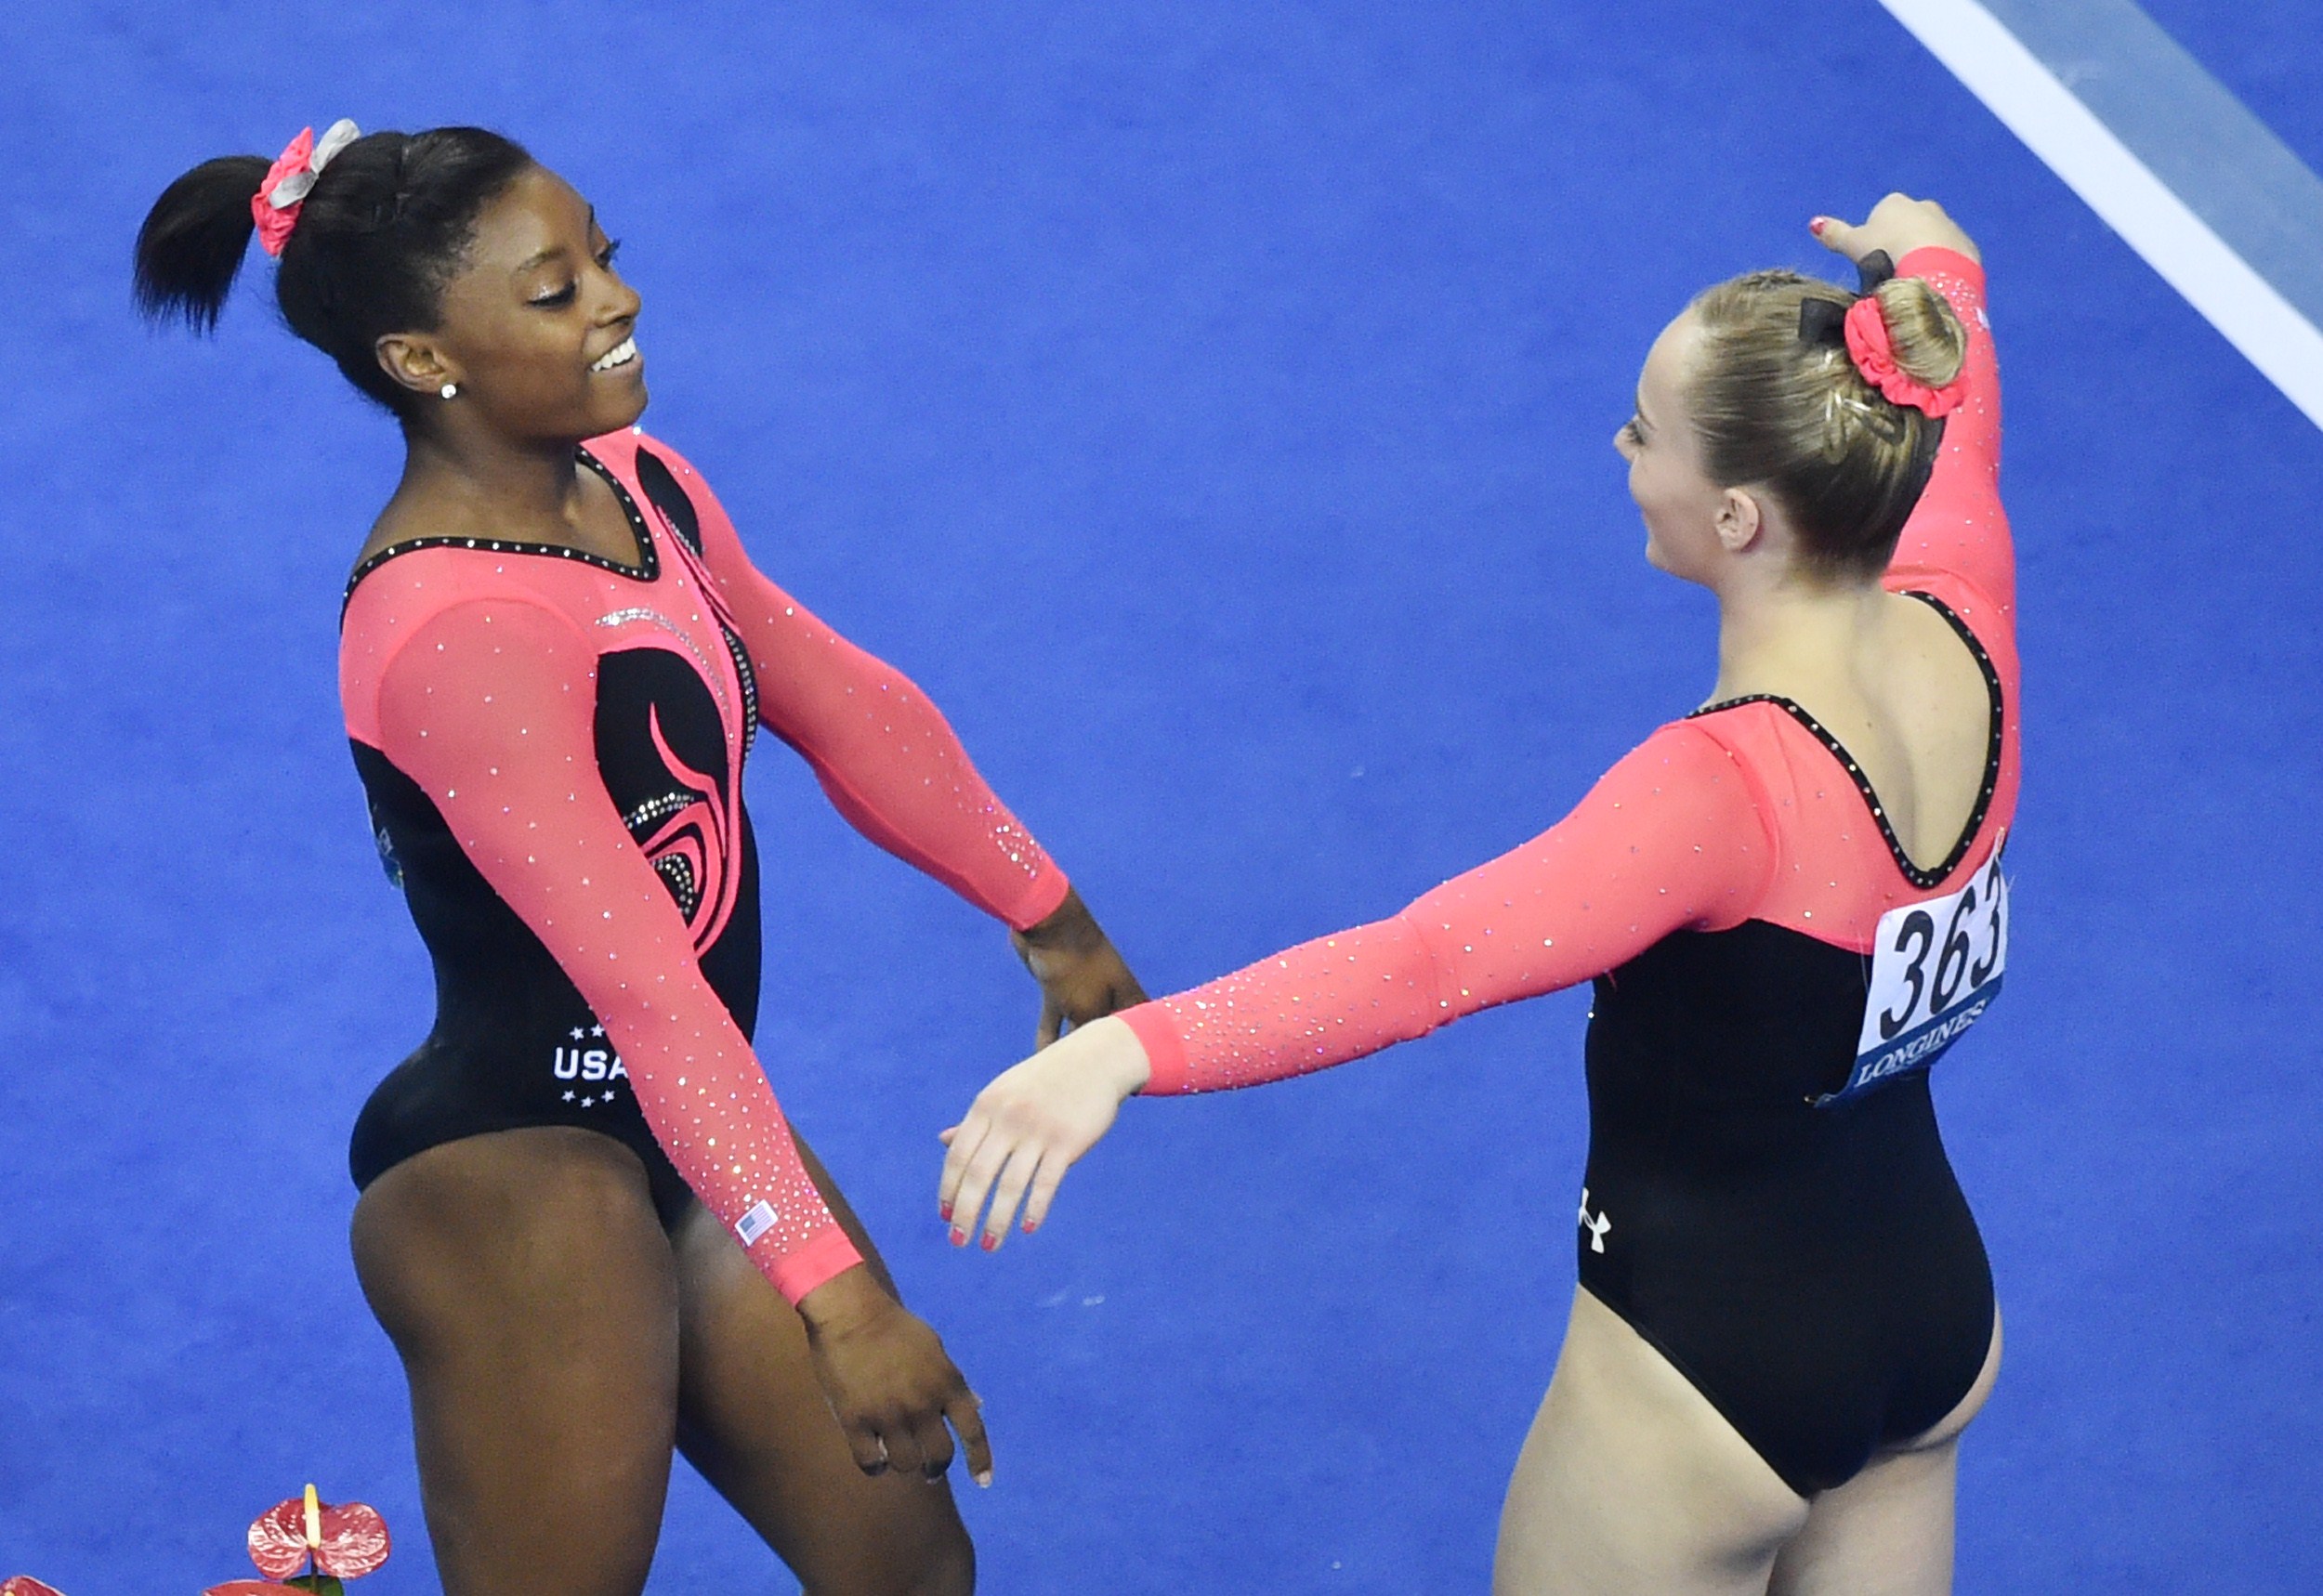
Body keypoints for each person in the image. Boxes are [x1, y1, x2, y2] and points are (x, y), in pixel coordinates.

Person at [939, 194, 2014, 1595]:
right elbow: (1951, 359)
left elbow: (1419, 962)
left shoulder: (1719, 797)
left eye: (1646, 434)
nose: (1624, 455)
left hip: (1706, 1386)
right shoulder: (1964, 597)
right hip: (1927, 1314)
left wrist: (1127, 1048)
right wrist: (1928, 263)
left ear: (1738, 515)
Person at [135, 121, 1146, 1596]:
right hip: (515, 1170)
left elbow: (826, 687)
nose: (618, 299)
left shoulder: (637, 482)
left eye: (604, 255)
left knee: (907, 1567)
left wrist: (1043, 907)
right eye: (554, 291)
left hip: (686, 1127)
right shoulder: (455, 632)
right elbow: (642, 989)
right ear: (426, 360)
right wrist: (842, 1299)